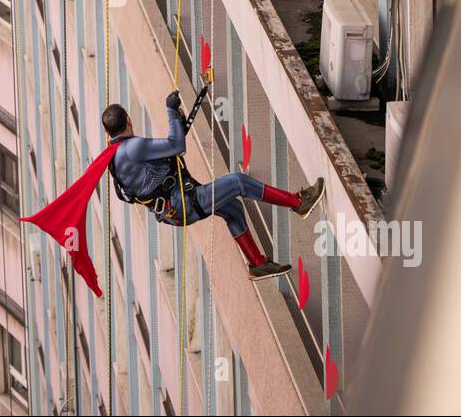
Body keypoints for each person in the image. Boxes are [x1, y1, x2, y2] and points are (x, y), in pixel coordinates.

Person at [22, 92, 326, 293]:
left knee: (231, 208)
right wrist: (170, 111)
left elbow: (157, 163)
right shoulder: (133, 146)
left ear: (109, 133)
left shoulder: (115, 159)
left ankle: (258, 264)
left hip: (175, 210)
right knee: (237, 182)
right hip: (184, 202)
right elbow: (176, 146)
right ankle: (299, 202)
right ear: (128, 121)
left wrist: (176, 124)